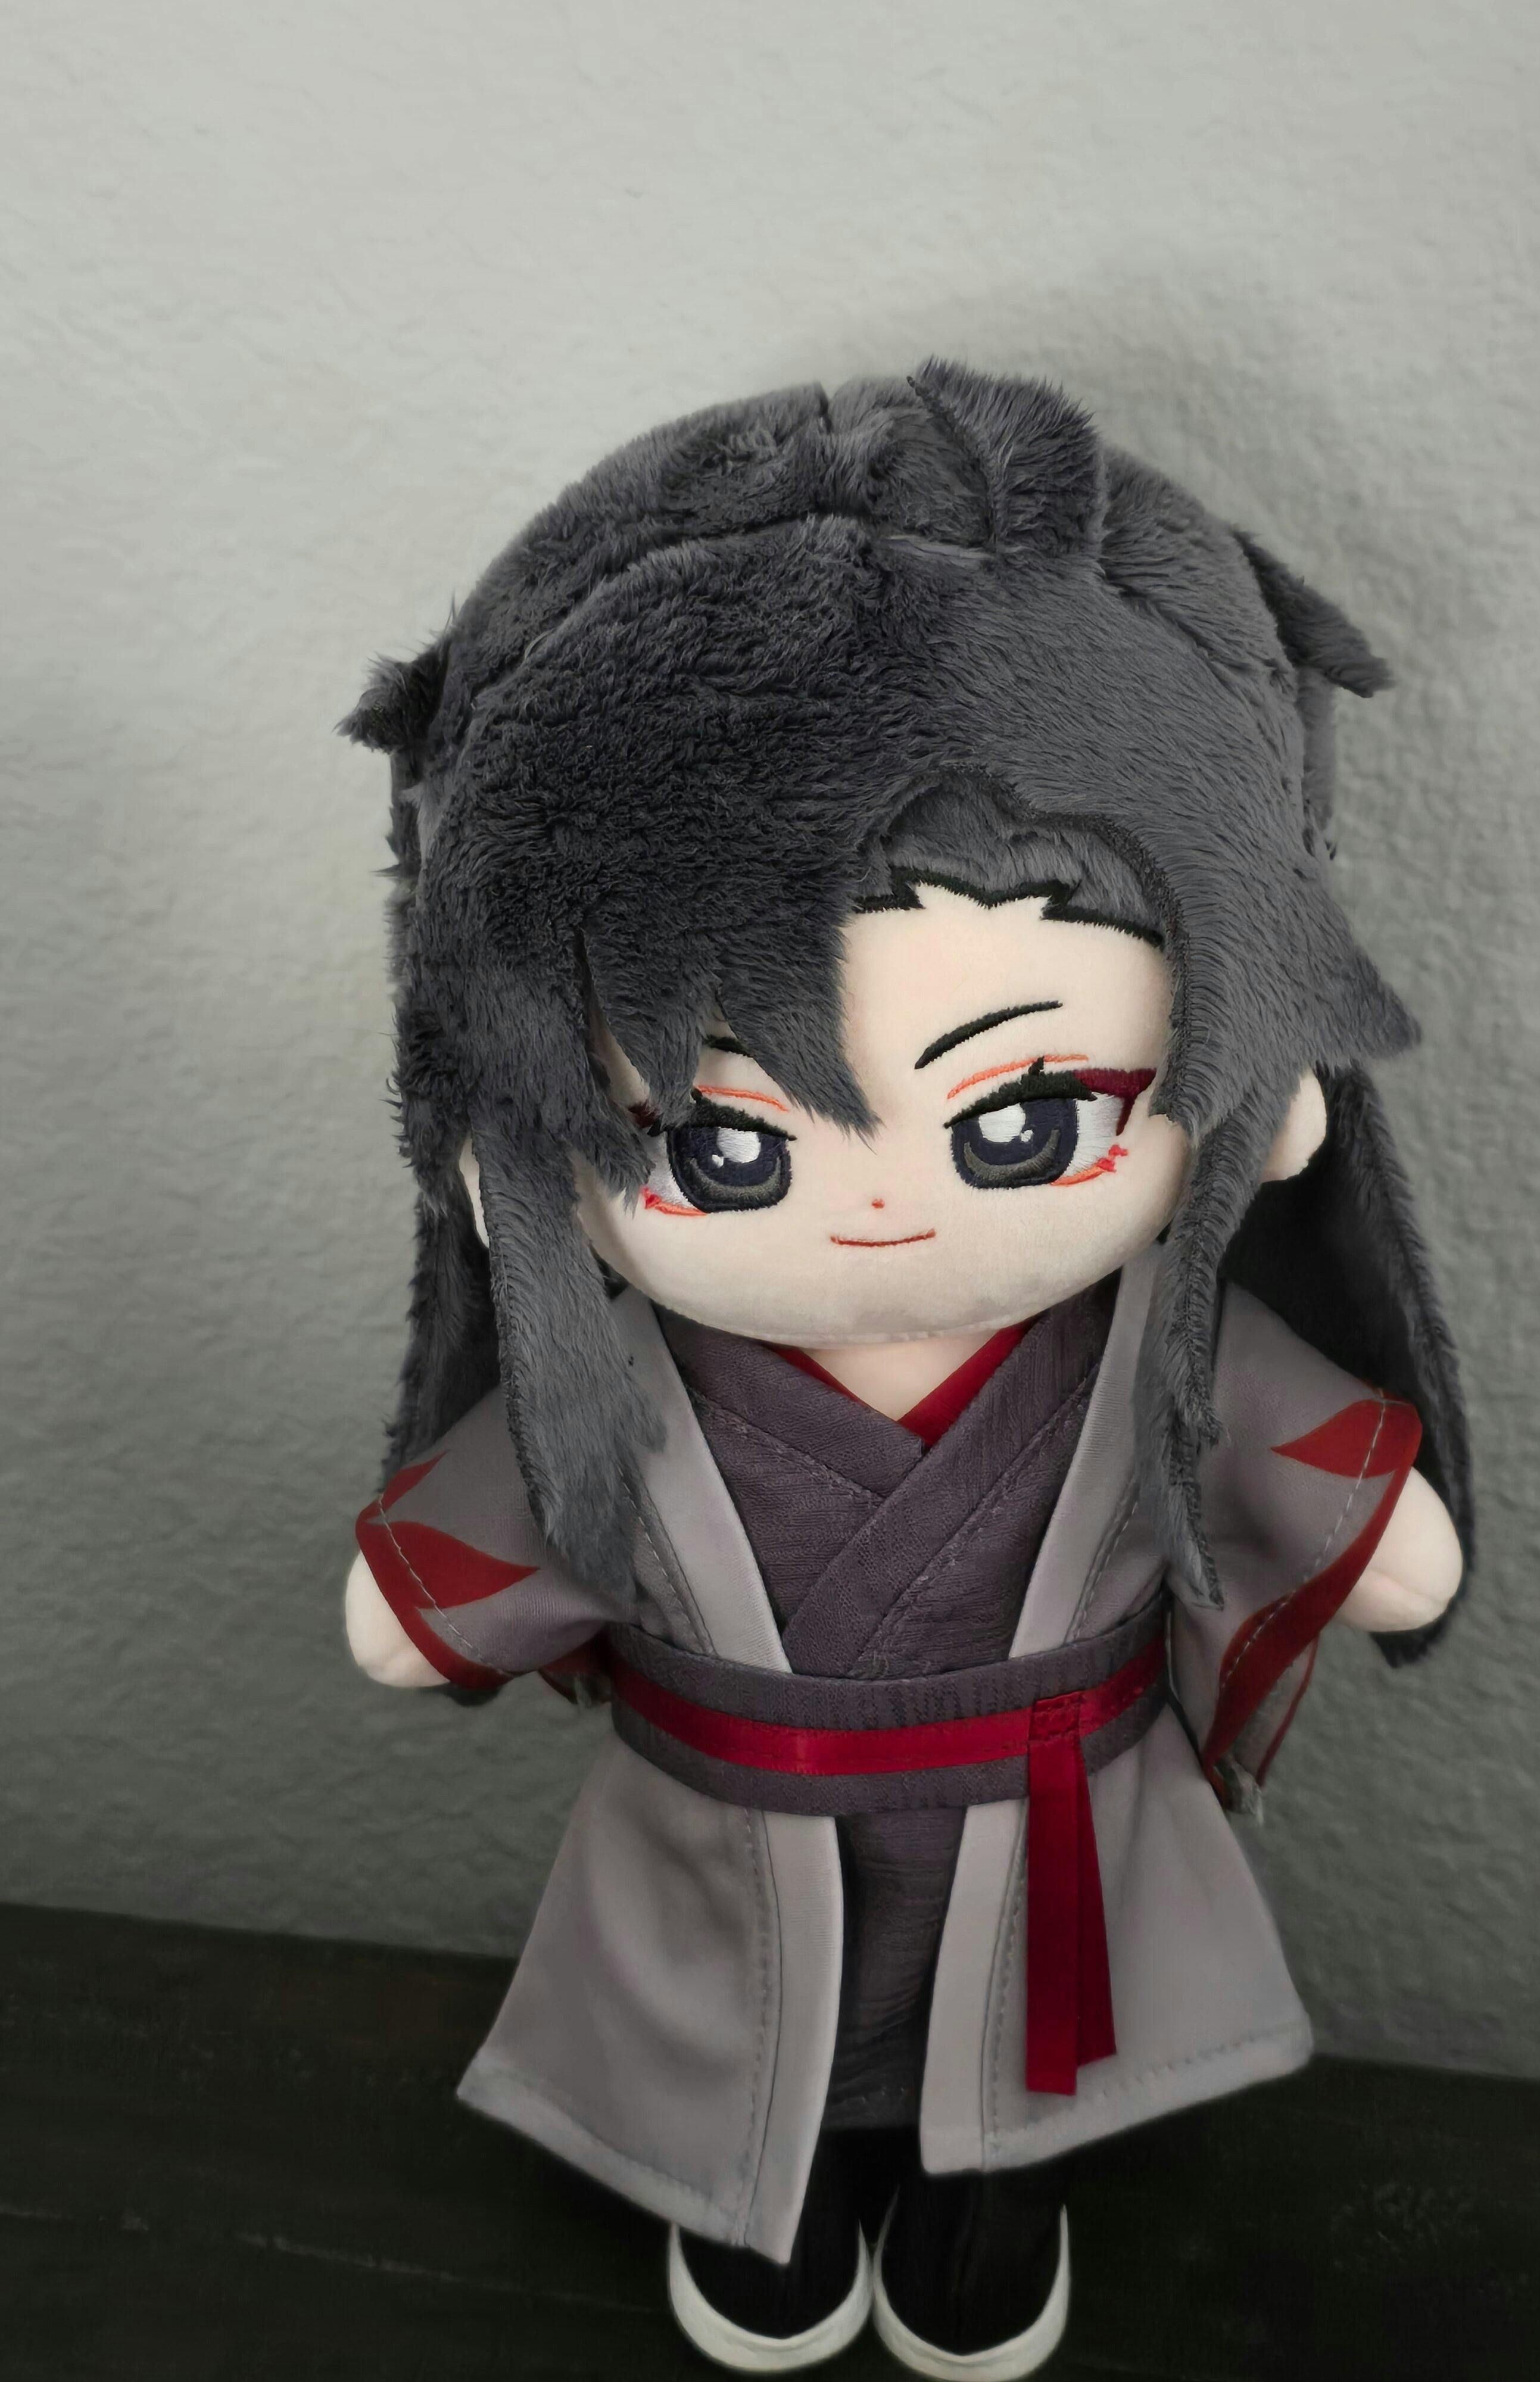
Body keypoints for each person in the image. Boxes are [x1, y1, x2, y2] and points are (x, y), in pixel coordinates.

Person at [341, 363, 1470, 2377]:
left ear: (1256, 1082)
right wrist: (425, 1601)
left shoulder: (1153, 1355)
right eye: (724, 1145)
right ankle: (768, 2208)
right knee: (752, 2064)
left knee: (1005, 2076)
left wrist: (1381, 1534)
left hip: (1051, 1829)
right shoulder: (623, 1383)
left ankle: (982, 2200)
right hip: (727, 1822)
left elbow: (1342, 1510)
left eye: (1025, 1119)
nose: (876, 1212)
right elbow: (449, 1578)